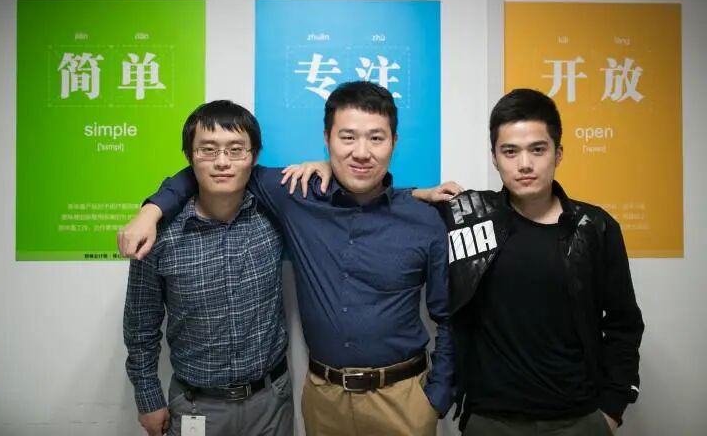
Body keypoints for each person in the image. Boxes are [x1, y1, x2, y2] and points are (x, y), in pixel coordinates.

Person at [290, 88, 644, 435]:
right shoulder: (469, 215)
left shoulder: (594, 228)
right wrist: (329, 168)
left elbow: (623, 325)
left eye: (538, 149)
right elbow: (382, 203)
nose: (524, 164)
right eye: (510, 151)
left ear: (558, 153)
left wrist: (611, 410)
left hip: (578, 416)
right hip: (489, 418)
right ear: (494, 157)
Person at [118, 81, 454, 436]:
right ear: (327, 139)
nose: (361, 151)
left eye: (376, 138)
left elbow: (449, 316)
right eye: (347, 137)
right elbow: (213, 171)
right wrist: (152, 210)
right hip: (321, 399)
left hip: (400, 399)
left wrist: (437, 396)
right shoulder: (295, 195)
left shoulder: (423, 219)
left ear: (394, 142)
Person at [123, 100, 292, 436]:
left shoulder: (275, 215)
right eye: (208, 150)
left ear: (254, 156)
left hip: (271, 400)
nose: (222, 162)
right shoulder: (158, 235)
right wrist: (148, 398)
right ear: (190, 156)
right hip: (196, 405)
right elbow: (140, 327)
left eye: (236, 150)